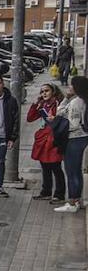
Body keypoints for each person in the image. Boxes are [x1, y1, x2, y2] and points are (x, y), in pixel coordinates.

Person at [56, 75, 88, 212]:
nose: (69, 87)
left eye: (71, 85)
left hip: (74, 138)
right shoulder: (82, 100)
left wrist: (61, 125)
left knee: (71, 171)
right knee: (77, 171)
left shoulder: (76, 102)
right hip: (82, 138)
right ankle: (78, 200)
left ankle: (73, 201)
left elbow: (72, 122)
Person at [29, 82, 66, 202]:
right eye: (42, 91)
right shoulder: (42, 104)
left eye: (46, 91)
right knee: (44, 166)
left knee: (55, 166)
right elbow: (30, 118)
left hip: (54, 139)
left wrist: (55, 119)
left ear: (53, 91)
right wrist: (35, 104)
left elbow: (63, 121)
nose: (44, 93)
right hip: (43, 138)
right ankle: (46, 191)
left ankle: (59, 194)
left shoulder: (59, 104)